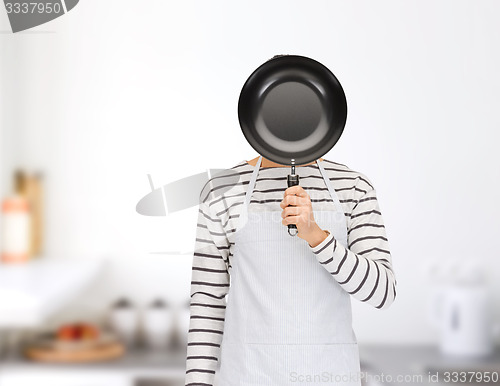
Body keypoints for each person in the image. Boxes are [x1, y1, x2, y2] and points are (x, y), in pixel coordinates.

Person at [185, 155, 397, 386]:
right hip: (247, 376)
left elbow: (382, 292)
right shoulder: (221, 191)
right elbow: (208, 298)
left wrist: (317, 237)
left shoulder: (353, 187)